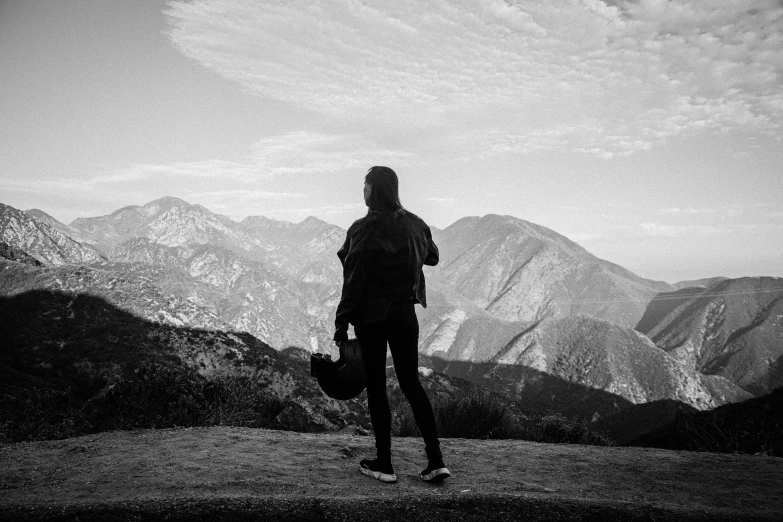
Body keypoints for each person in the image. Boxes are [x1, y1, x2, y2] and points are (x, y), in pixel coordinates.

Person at [333, 166, 450, 484]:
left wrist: (341, 323)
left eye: (365, 185)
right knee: (412, 384)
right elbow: (433, 257)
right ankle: (436, 460)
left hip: (371, 318)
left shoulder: (362, 228)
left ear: (374, 189)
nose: (363, 190)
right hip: (405, 316)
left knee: (376, 388)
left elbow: (353, 280)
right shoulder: (416, 224)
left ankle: (384, 464)